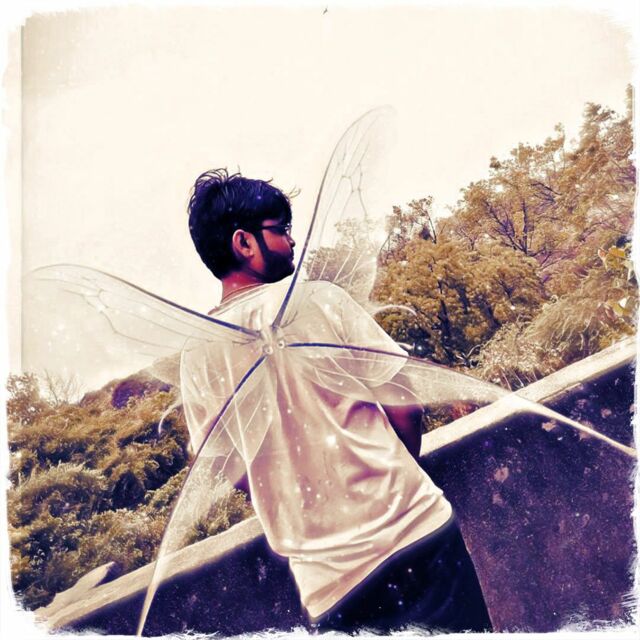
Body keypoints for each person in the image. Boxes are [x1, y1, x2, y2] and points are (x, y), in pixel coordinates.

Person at [181, 168, 492, 633]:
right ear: (243, 243)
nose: (291, 240)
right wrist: (388, 479)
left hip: (330, 586)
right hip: (417, 536)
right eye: (280, 229)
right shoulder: (320, 300)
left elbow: (228, 467)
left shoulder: (199, 355)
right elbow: (403, 402)